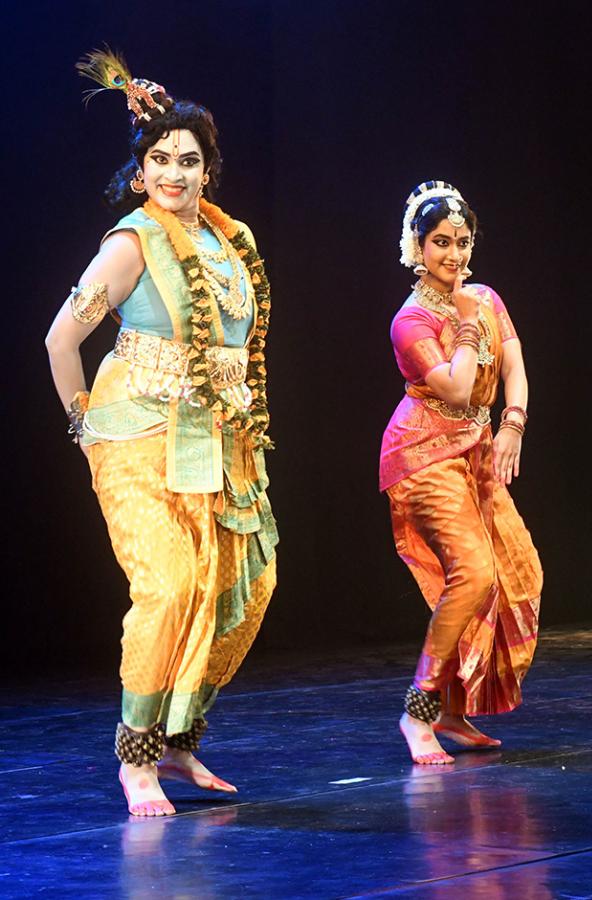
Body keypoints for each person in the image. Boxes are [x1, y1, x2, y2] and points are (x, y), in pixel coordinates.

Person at [45, 49, 278, 815]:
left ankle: (180, 742)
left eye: (189, 160)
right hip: (138, 436)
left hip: (218, 439)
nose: (175, 173)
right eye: (160, 160)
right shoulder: (130, 242)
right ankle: (136, 754)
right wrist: (84, 423)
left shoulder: (229, 240)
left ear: (208, 170)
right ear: (140, 173)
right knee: (171, 585)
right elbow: (59, 341)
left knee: (244, 590)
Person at [380, 180, 542, 765]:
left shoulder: (488, 297)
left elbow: (516, 365)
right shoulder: (411, 320)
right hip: (422, 453)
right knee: (472, 573)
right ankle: (418, 710)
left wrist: (513, 425)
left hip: (475, 448)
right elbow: (452, 383)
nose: (454, 255)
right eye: (441, 242)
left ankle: (453, 711)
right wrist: (469, 322)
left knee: (516, 573)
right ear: (418, 247)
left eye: (463, 241)